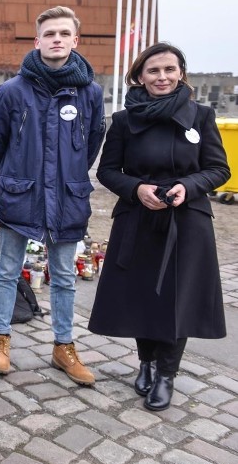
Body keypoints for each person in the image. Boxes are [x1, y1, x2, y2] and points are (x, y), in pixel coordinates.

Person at [89, 43, 230, 411]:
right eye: (153, 71)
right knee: (142, 295)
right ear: (139, 76)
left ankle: (166, 374)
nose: (162, 77)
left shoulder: (201, 115)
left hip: (187, 223)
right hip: (138, 218)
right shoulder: (123, 120)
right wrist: (136, 189)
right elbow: (107, 171)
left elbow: (219, 169)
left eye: (169, 69)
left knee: (176, 299)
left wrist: (190, 186)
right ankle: (146, 363)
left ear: (181, 72)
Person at [0, 6, 105, 385]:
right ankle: (1, 338)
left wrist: (66, 176)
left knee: (66, 276)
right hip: (22, 196)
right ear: (37, 41)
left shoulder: (91, 93)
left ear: (75, 40)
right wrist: (16, 179)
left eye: (63, 33)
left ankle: (63, 346)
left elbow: (91, 144)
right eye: (49, 33)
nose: (56, 39)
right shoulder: (11, 92)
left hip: (69, 197)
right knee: (6, 269)